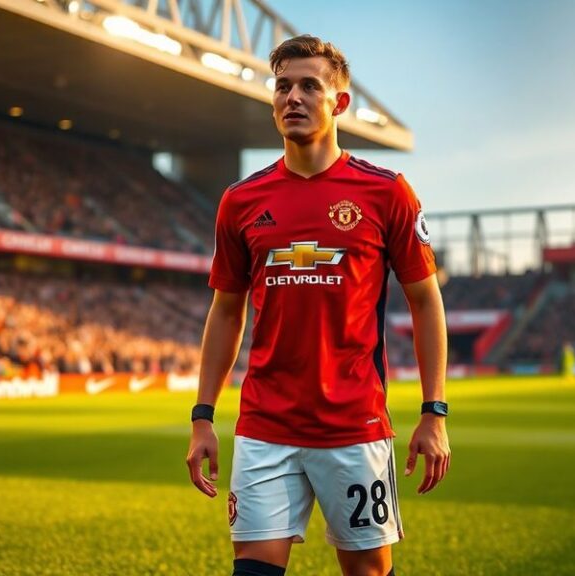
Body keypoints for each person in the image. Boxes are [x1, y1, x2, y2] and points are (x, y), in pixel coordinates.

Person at [186, 35, 450, 576]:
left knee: (367, 571)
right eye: (282, 86)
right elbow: (227, 311)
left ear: (340, 103)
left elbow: (426, 302)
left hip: (353, 425)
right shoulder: (240, 201)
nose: (293, 97)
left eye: (310, 86)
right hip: (264, 426)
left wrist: (434, 411)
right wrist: (203, 416)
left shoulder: (387, 192)